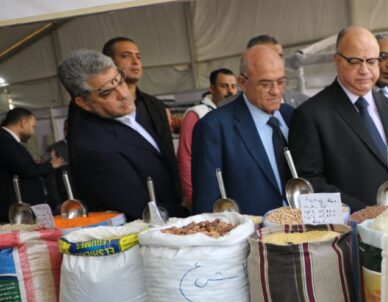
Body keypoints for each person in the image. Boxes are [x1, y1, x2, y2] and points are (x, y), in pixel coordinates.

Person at [288, 26, 388, 211]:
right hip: (350, 226)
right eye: (355, 61)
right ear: (337, 60)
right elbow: (308, 188)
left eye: (372, 61)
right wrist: (362, 212)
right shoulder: (311, 115)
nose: (364, 70)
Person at [57, 49, 186, 220]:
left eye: (120, 81)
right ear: (83, 103)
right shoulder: (94, 149)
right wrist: (189, 209)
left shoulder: (140, 109)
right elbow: (139, 211)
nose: (124, 94)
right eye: (107, 93)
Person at [191, 46, 294, 215]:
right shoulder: (214, 127)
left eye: (281, 82)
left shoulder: (292, 116)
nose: (276, 91)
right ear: (243, 83)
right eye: (265, 84)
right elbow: (206, 202)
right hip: (250, 229)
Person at [101, 37, 181, 199]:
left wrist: (179, 193)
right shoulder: (101, 107)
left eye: (138, 56)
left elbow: (168, 152)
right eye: (126, 56)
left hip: (166, 195)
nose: (135, 62)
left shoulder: (155, 105)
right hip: (125, 196)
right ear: (109, 63)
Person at [177, 68, 237, 207]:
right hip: (209, 191)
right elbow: (185, 156)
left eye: (233, 86)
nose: (230, 91)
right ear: (212, 88)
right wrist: (190, 194)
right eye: (224, 86)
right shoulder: (196, 114)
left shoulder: (237, 114)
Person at [0, 109, 65, 222]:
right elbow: (25, 170)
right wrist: (51, 165)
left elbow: (18, 166)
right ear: (23, 123)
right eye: (33, 127)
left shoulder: (8, 140)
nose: (33, 133)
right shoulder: (4, 140)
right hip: (15, 209)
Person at [245, 34, 309, 108]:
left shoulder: (305, 103)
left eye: (280, 56)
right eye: (269, 56)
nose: (277, 61)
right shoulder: (235, 107)